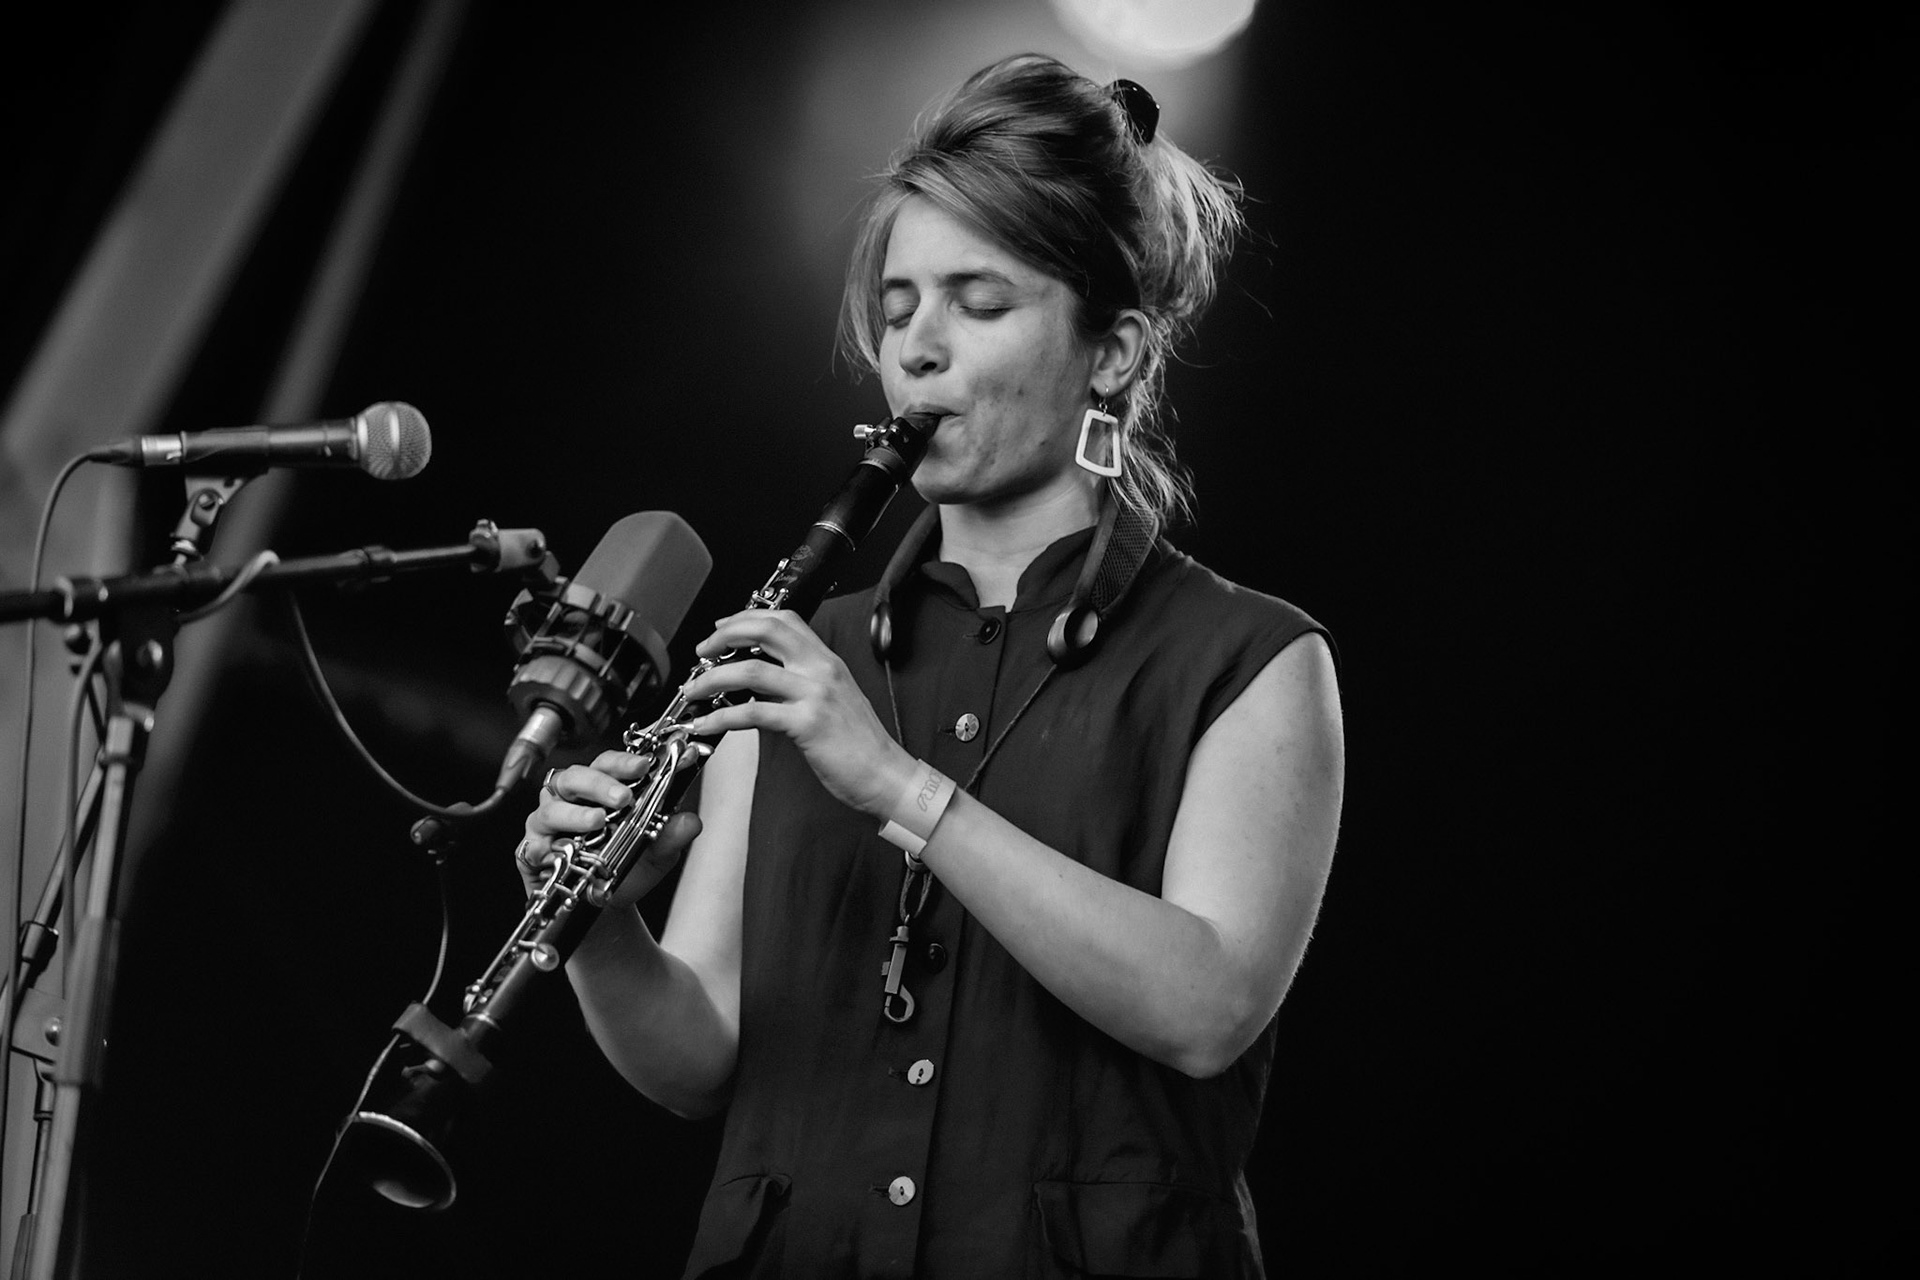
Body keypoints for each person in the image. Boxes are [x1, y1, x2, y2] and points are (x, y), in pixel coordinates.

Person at [518, 53, 1344, 1279]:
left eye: (980, 302)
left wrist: (896, 783)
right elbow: (699, 1055)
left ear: (1111, 353)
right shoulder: (803, 653)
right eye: (899, 308)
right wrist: (593, 930)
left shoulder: (1252, 659)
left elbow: (1208, 1005)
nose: (919, 349)